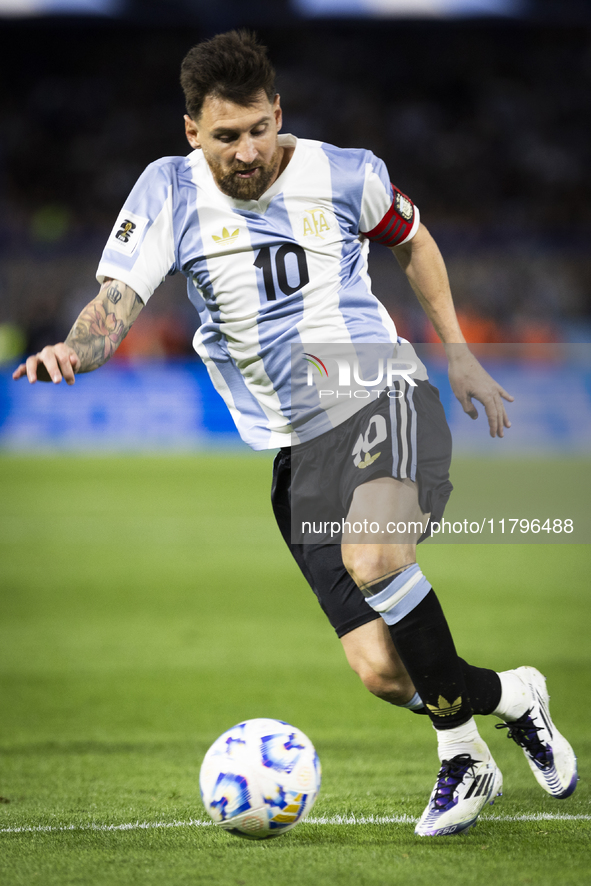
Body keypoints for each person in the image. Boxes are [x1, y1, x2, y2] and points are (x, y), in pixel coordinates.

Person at [13, 30, 577, 836]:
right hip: (291, 444)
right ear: (190, 132)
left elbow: (411, 239)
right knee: (383, 672)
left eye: (257, 130)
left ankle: (459, 757)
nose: (246, 152)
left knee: (375, 555)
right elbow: (116, 303)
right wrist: (76, 348)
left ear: (278, 112)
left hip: (378, 388)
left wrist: (458, 354)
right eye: (224, 137)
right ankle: (512, 699)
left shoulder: (346, 173)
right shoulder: (167, 191)